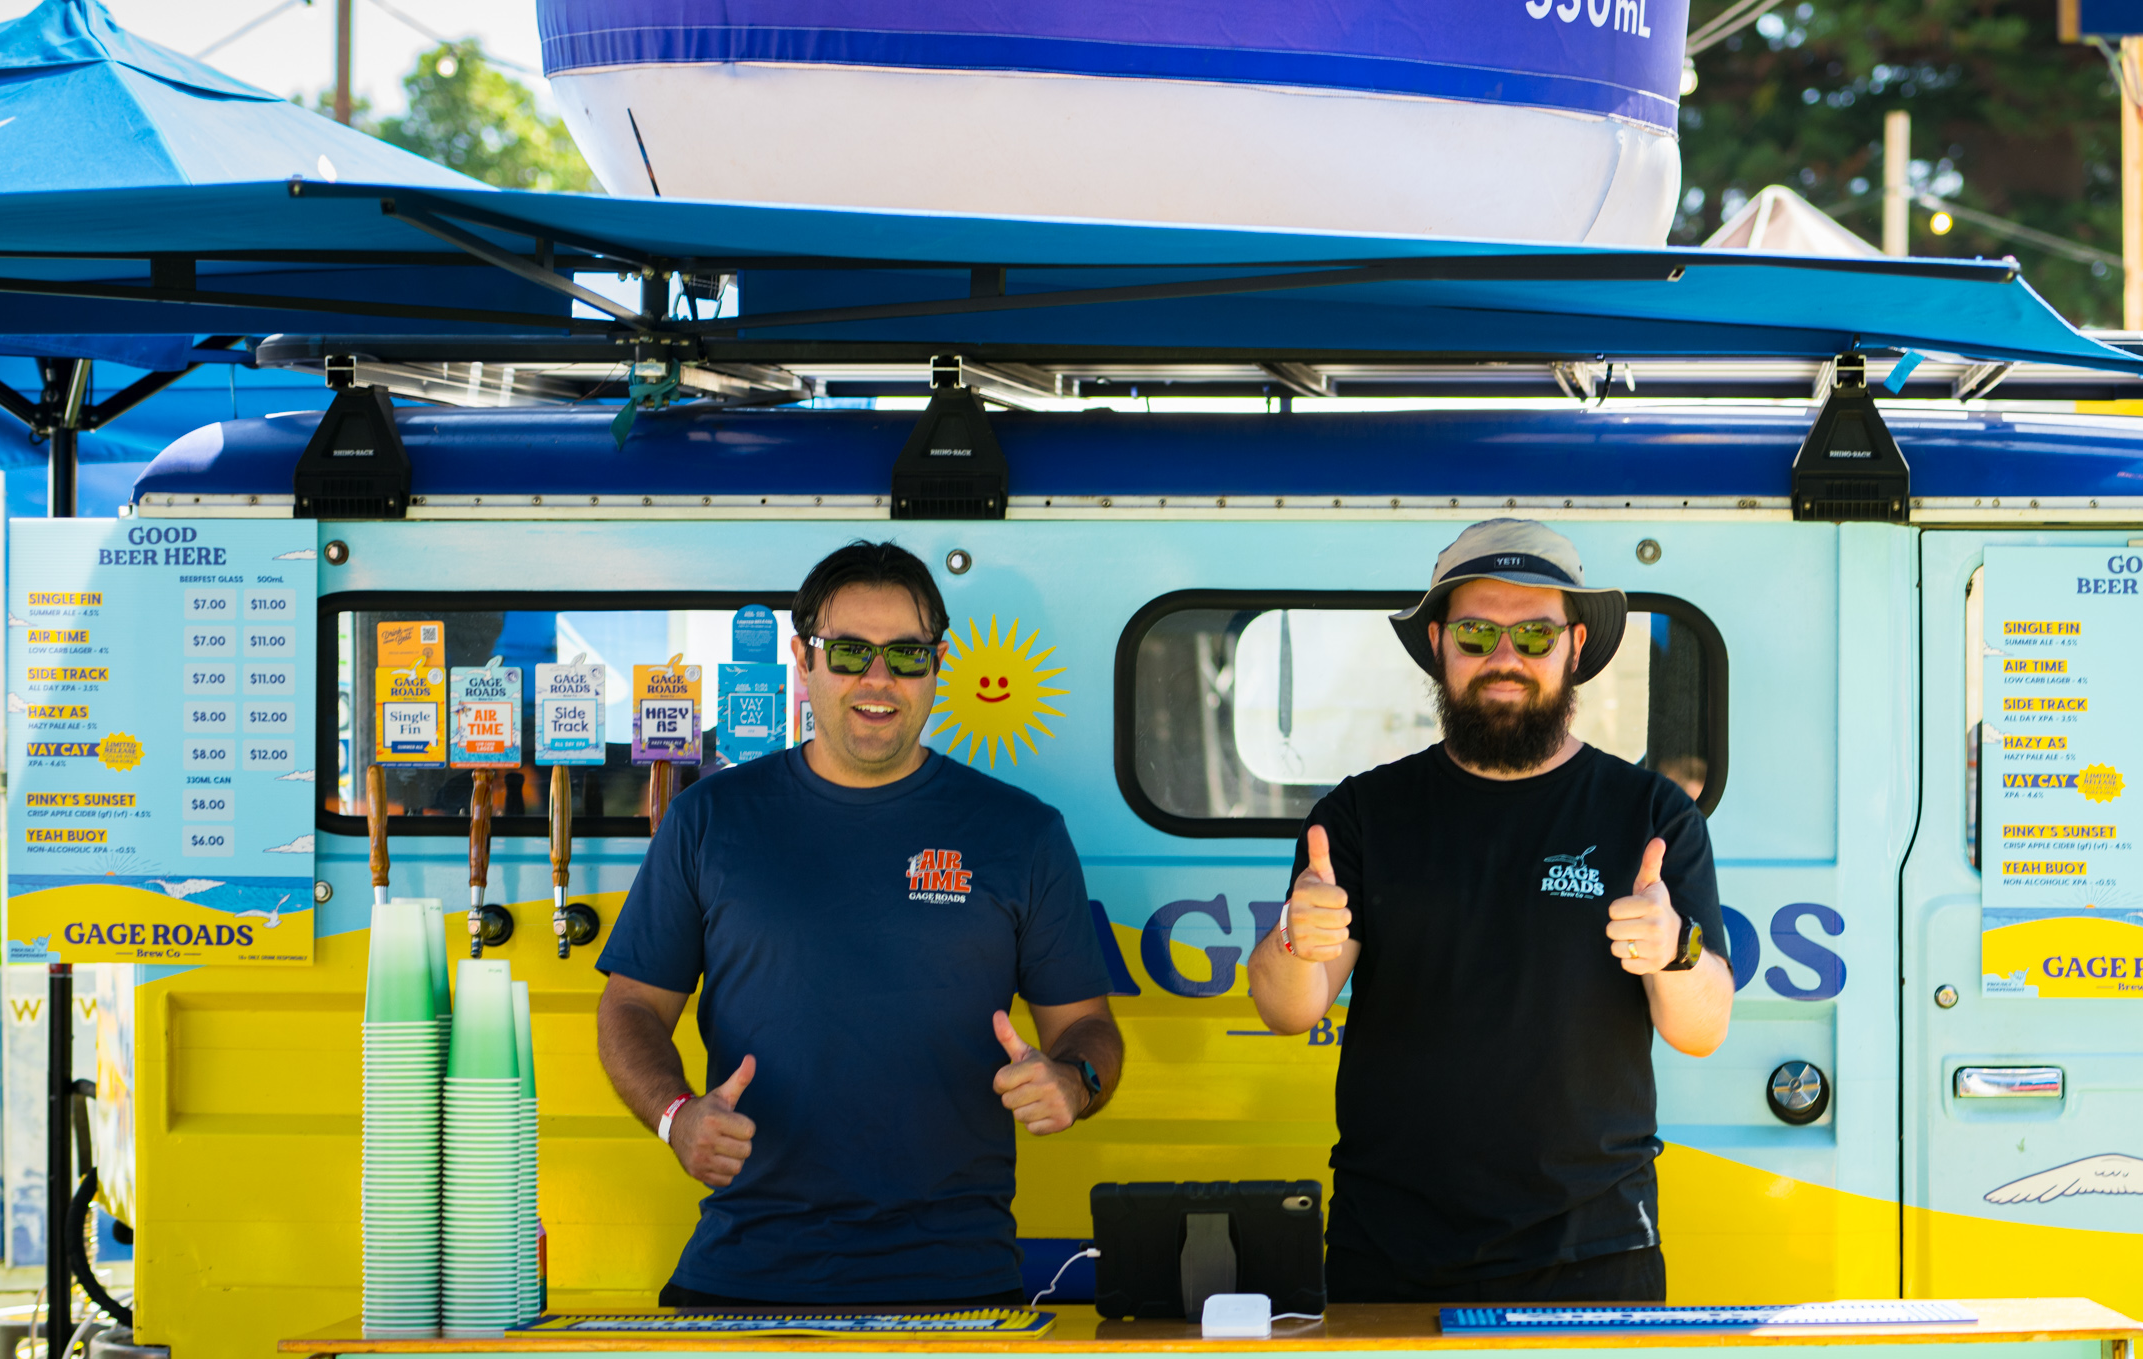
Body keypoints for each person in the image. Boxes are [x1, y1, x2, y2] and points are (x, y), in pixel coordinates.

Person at [594, 541, 1124, 1309]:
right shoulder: (710, 819)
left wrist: (1074, 1082)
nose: (879, 681)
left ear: (938, 664)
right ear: (802, 658)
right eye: (849, 652)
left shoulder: (1022, 833)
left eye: (906, 655)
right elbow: (631, 1007)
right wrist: (676, 1117)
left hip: (958, 1281)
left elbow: (1089, 1026)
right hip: (746, 1273)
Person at [1245, 518, 1733, 1304]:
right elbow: (1286, 1010)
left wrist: (1674, 950)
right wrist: (1297, 946)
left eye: (1534, 635)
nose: (1505, 658)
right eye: (1477, 632)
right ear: (1439, 644)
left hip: (1594, 1250)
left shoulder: (1652, 814)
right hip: (1390, 1249)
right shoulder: (1362, 813)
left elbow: (1702, 1031)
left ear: (1574, 648)